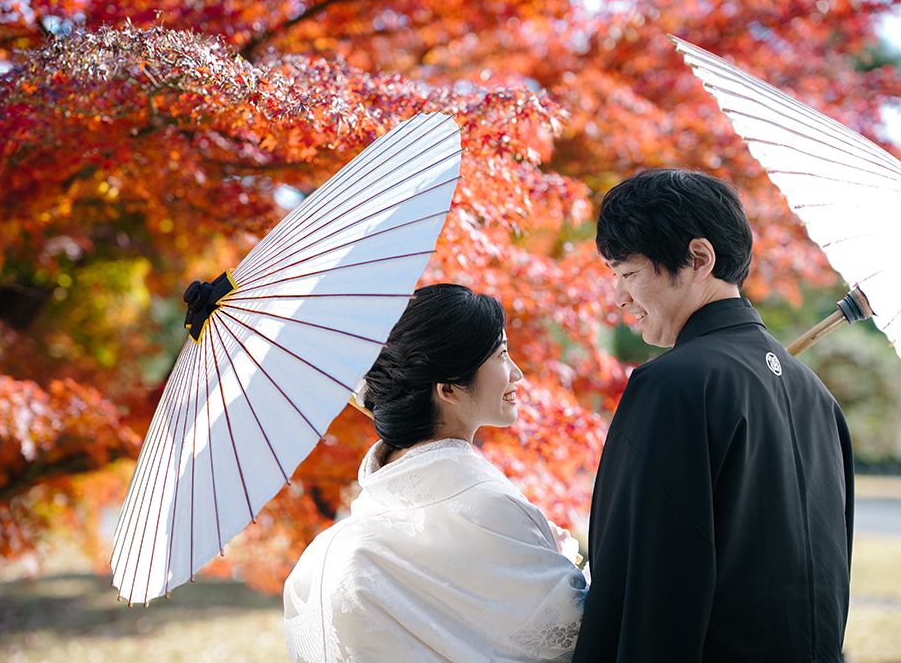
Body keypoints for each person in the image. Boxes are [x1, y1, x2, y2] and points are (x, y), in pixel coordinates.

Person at [572, 169, 854, 662]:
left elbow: (642, 587)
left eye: (628, 273)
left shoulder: (673, 386)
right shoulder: (818, 399)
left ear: (698, 258)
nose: (619, 298)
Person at [283, 283, 588, 662]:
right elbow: (575, 631)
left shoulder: (330, 548)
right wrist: (560, 557)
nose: (517, 373)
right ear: (448, 390)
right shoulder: (488, 505)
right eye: (502, 355)